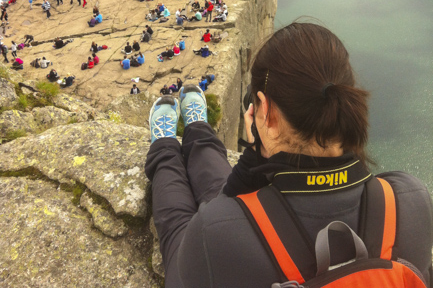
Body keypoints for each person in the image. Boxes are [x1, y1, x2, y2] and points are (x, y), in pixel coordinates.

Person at [144, 22, 433, 288]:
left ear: (264, 110)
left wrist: (256, 154)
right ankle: (196, 127)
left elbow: (220, 214)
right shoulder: (410, 198)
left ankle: (166, 147)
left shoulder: (215, 233)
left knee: (179, 223)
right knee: (216, 195)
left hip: (210, 245)